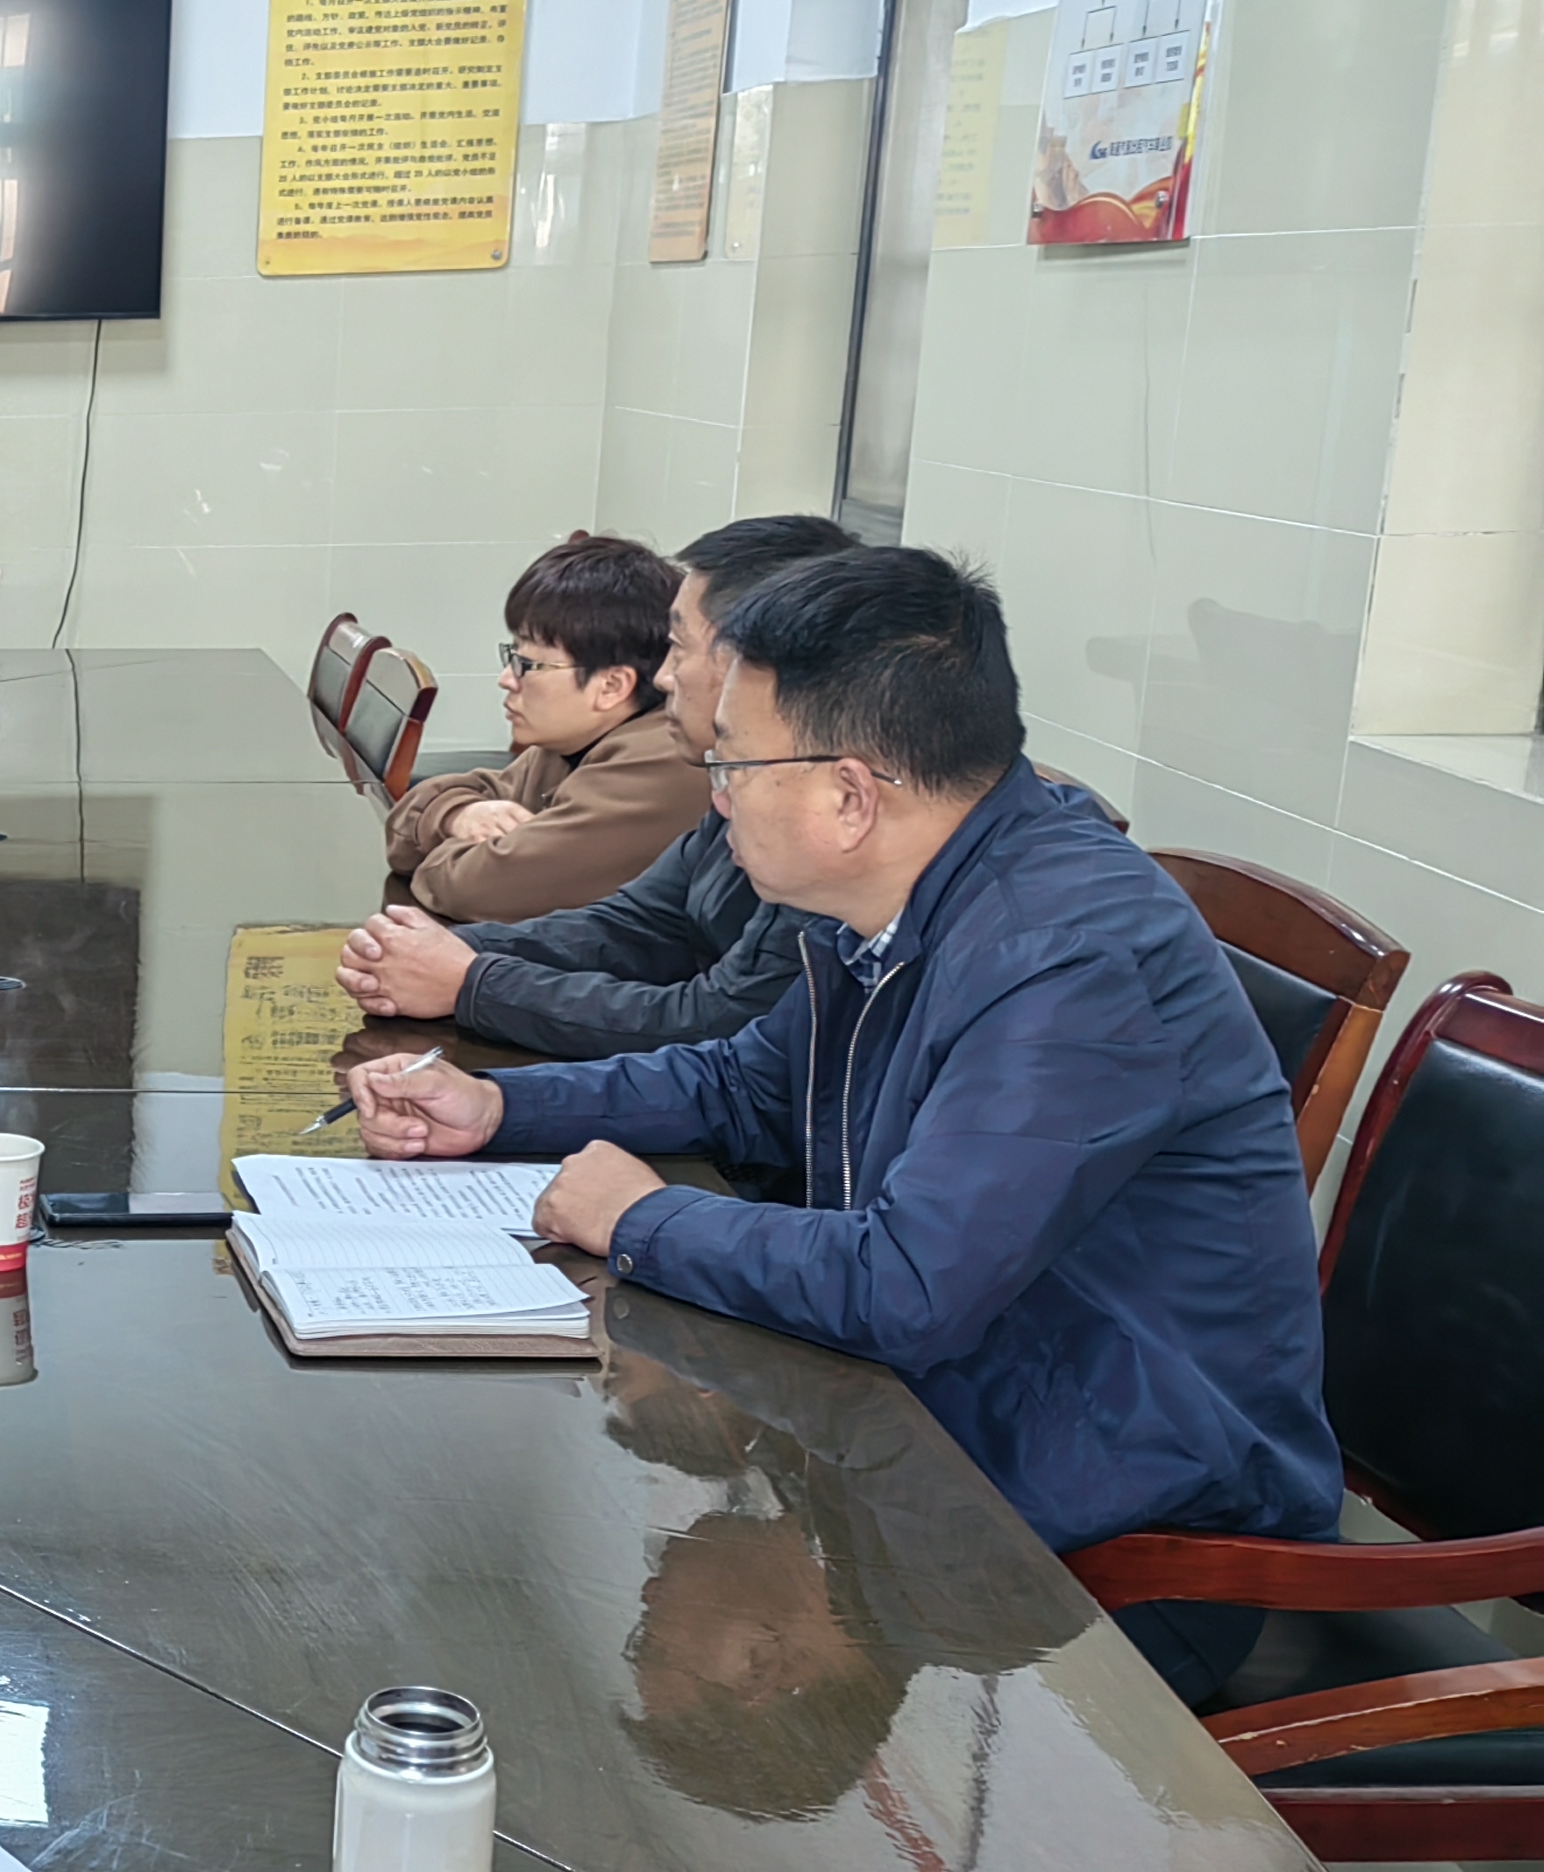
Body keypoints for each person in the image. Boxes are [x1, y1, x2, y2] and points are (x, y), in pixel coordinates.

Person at [350, 547, 1335, 1701]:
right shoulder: (896, 888)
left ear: (851, 796)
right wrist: (498, 1107)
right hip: (945, 1442)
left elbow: (906, 1285)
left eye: (733, 763)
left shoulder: (1064, 955)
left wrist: (642, 1219)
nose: (715, 795)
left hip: (1111, 1547)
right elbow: (742, 1086)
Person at [341, 513, 856, 1056]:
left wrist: (471, 981)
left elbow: (718, 1022)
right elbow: (638, 925)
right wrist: (434, 950)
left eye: (679, 647)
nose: (663, 676)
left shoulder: (799, 810)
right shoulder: (729, 776)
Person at [379, 531, 704, 921]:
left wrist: (436, 846)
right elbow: (403, 828)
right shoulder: (570, 742)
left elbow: (479, 891)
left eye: (527, 665)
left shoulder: (658, 766)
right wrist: (457, 815)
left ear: (611, 686)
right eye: (512, 654)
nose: (506, 679)